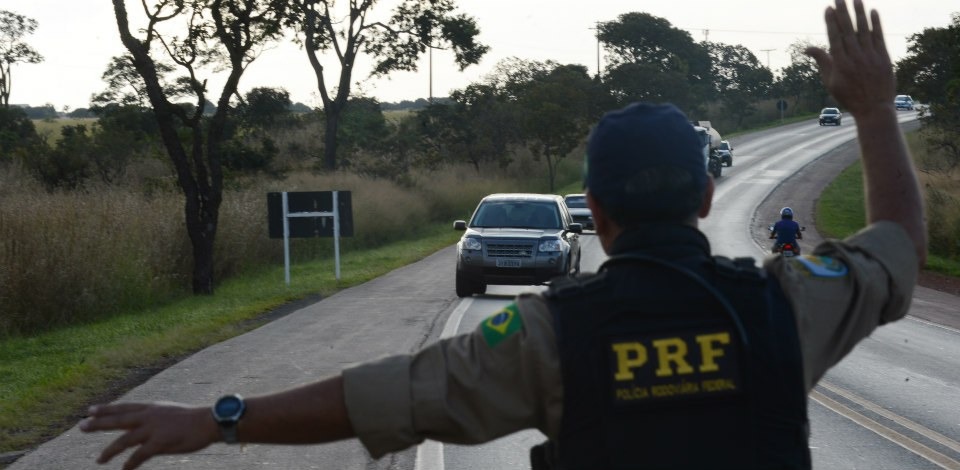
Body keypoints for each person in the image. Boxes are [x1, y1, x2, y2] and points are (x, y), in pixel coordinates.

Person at [80, 1, 926, 469]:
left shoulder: (548, 334)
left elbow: (381, 396)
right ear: (708, 195)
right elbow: (896, 243)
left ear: (591, 211)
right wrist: (875, 108)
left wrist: (221, 418)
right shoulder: (784, 304)